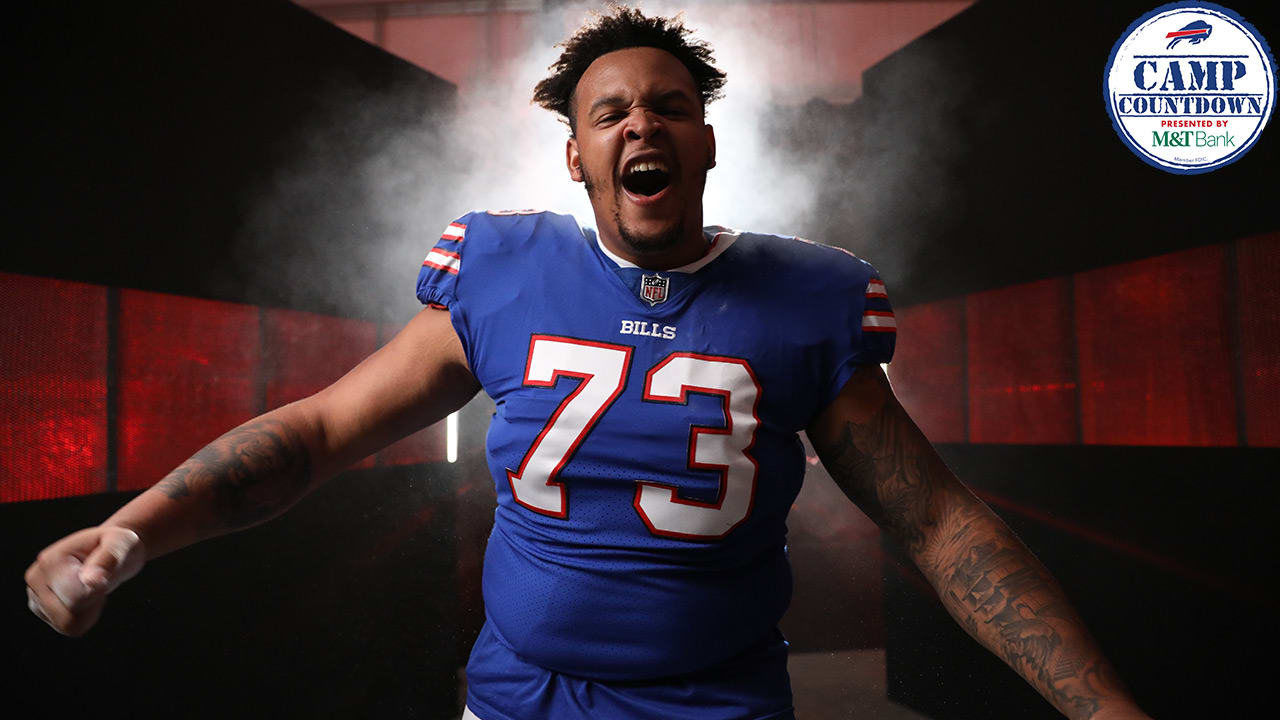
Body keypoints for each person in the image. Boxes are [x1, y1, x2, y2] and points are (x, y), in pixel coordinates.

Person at [26, 6, 1153, 720]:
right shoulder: (501, 268)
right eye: (608, 112)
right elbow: (318, 434)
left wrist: (1100, 708)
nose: (639, 126)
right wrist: (133, 532)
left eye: (667, 107)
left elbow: (933, 521)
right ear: (576, 154)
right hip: (521, 699)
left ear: (706, 140)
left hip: (718, 704)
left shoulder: (806, 296)